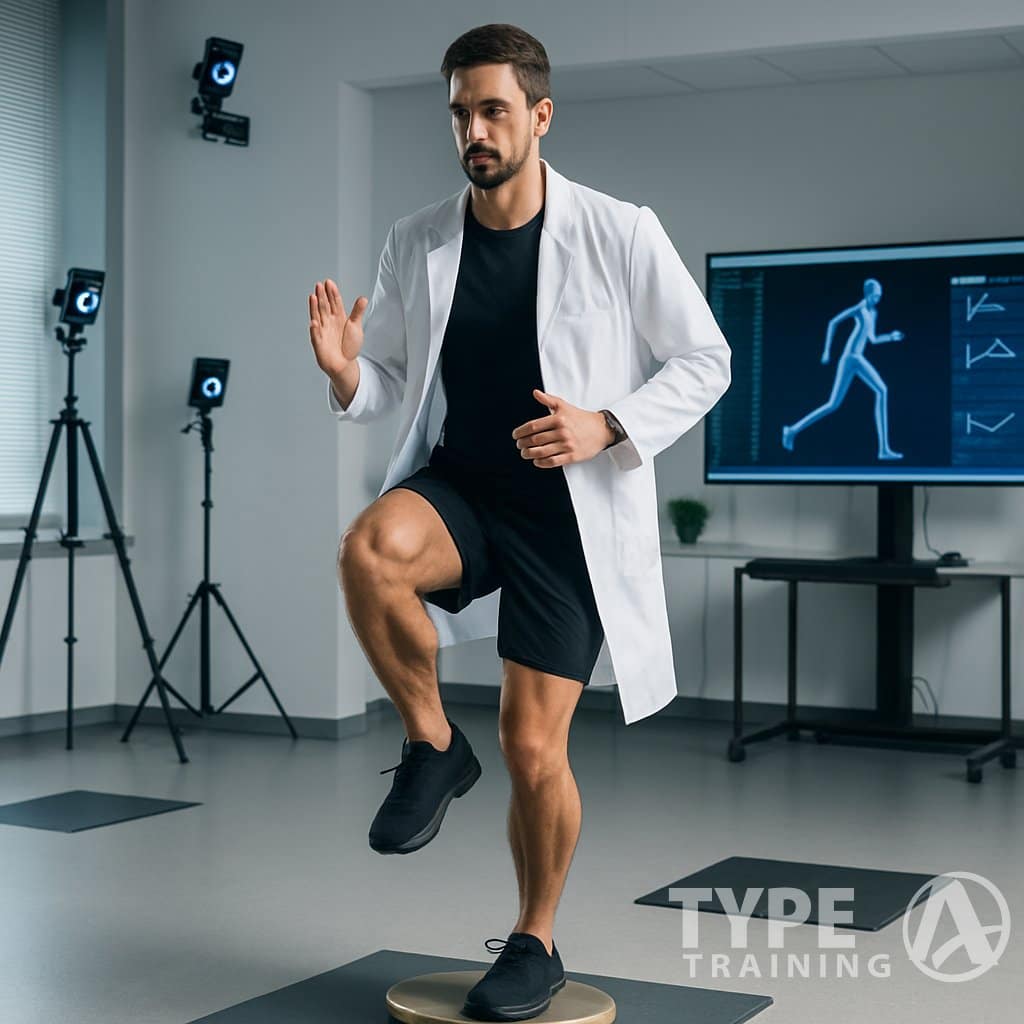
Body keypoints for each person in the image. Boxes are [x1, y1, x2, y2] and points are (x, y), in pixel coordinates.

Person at [307, 23, 731, 1022]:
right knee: (368, 549)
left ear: (538, 115)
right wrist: (346, 373)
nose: (474, 129)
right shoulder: (418, 237)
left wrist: (607, 422)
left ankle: (534, 939)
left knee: (534, 747)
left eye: (493, 109)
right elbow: (401, 381)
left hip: (565, 518)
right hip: (465, 487)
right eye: (460, 111)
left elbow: (704, 360)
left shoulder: (619, 229)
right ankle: (428, 744)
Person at [782, 278, 905, 459]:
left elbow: (873, 340)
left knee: (834, 404)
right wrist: (826, 351)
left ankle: (792, 430)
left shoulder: (873, 313)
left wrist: (891, 337)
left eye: (880, 296)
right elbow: (833, 322)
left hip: (856, 359)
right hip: (850, 358)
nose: (877, 299)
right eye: (875, 295)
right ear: (868, 294)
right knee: (880, 391)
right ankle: (883, 449)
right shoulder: (860, 309)